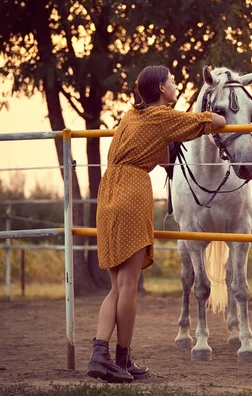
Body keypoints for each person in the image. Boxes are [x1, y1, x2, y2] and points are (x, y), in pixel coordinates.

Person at [87, 65, 226, 383]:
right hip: (132, 191)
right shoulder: (162, 116)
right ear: (162, 89)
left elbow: (162, 154)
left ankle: (102, 355)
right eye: (172, 82)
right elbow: (214, 121)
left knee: (116, 286)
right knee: (129, 287)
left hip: (108, 191)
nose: (176, 86)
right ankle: (118, 359)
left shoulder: (131, 116)